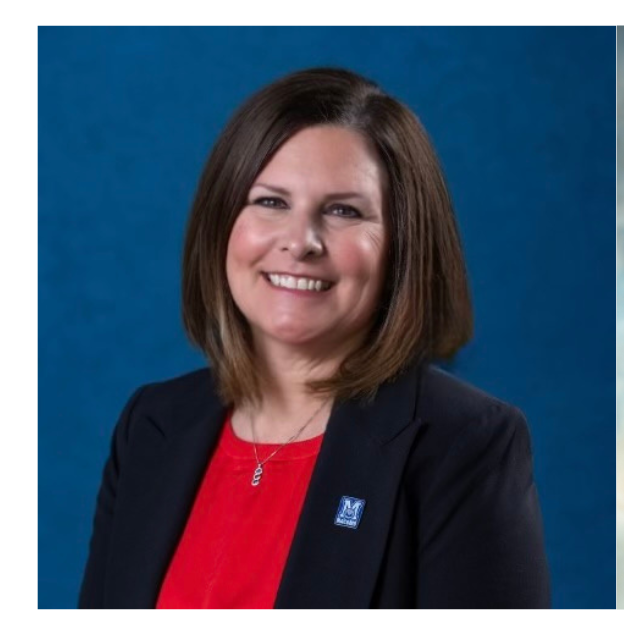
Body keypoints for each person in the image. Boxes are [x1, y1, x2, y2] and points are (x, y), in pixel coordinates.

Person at [77, 68, 550, 609]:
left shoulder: (463, 444)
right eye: (271, 202)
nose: (300, 242)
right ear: (221, 220)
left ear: (403, 244)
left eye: (343, 211)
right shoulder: (151, 425)